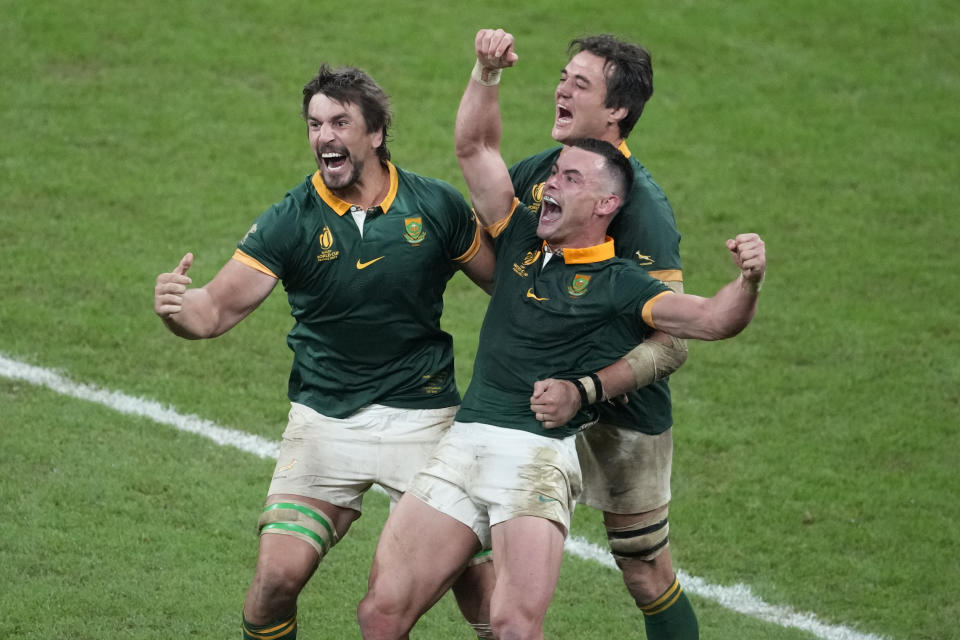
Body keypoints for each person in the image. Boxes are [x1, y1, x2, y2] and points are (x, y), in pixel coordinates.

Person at [357, 133, 765, 639]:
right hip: (464, 443)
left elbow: (712, 319)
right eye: (554, 173)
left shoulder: (621, 283)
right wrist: (486, 70)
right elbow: (474, 151)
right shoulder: (523, 236)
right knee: (380, 612)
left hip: (535, 459)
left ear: (605, 204)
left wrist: (748, 282)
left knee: (513, 628)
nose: (551, 182)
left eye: (570, 178)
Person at [153, 64, 497, 640]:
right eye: (315, 124)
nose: (325, 137)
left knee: (481, 588)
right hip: (325, 420)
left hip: (425, 420)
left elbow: (505, 290)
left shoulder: (434, 206)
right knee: (274, 581)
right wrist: (176, 310)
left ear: (376, 133)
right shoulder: (291, 220)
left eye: (340, 122)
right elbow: (213, 311)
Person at [455, 29, 702, 638]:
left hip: (619, 406)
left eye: (580, 83)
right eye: (563, 77)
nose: (560, 88)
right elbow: (505, 264)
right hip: (528, 392)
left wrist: (587, 387)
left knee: (644, 569)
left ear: (617, 110)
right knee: (463, 543)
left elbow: (672, 341)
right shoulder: (544, 173)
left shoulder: (639, 206)